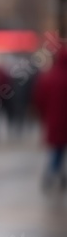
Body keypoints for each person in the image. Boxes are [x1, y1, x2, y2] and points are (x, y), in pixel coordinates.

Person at [33, 44, 67, 189]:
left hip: (53, 121)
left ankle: (52, 175)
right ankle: (54, 175)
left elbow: (39, 99)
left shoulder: (48, 77)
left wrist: (43, 116)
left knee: (56, 150)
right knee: (59, 151)